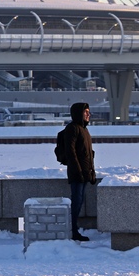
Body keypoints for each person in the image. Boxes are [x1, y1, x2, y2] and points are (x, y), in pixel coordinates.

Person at [63, 102, 96, 241]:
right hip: (77, 174)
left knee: (79, 201)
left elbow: (89, 154)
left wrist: (92, 172)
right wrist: (79, 172)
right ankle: (73, 231)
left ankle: (74, 230)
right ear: (78, 113)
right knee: (76, 202)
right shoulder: (72, 128)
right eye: (85, 112)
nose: (88, 114)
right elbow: (71, 153)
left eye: (89, 112)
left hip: (84, 173)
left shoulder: (85, 130)